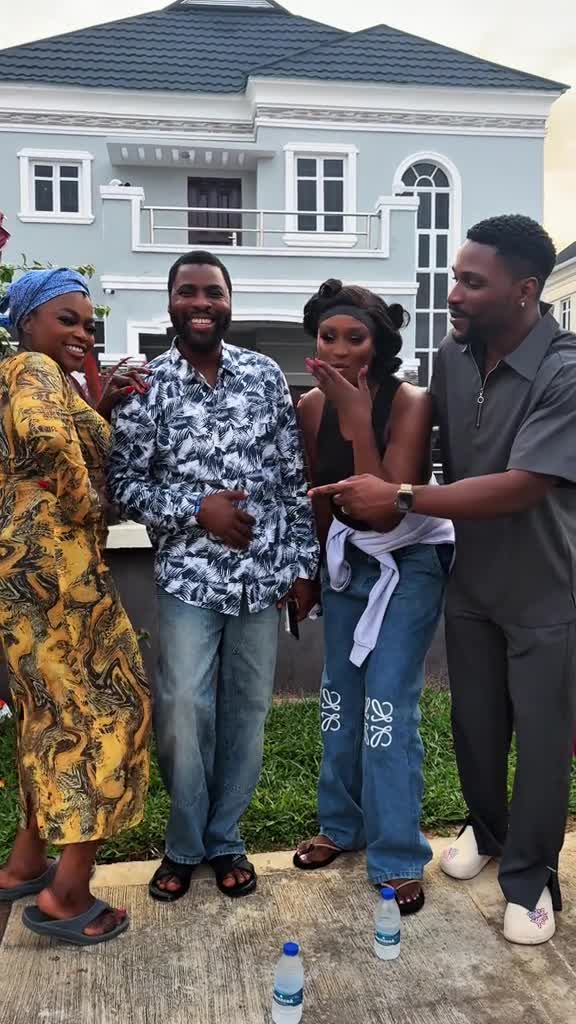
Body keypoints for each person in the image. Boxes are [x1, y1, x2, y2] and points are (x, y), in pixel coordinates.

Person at [310, 215, 576, 945]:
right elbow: (441, 462)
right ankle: (487, 830)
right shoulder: (454, 357)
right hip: (469, 577)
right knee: (476, 724)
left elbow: (525, 484)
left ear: (524, 290)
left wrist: (401, 498)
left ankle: (530, 877)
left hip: (546, 585)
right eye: (456, 277)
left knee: (542, 738)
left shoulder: (564, 369)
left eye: (472, 282)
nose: (454, 292)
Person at [107, 250, 319, 903]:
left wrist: (301, 565)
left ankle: (225, 839)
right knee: (182, 710)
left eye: (213, 293)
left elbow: (291, 479)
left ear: (230, 302)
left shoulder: (263, 376)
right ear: (171, 303)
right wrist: (197, 510)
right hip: (189, 579)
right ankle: (183, 844)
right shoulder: (146, 385)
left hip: (259, 577)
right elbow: (123, 487)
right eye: (188, 292)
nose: (201, 304)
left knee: (246, 713)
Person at [292, 279, 454, 913]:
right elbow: (320, 497)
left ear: (378, 345)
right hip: (346, 561)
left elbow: (387, 508)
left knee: (387, 707)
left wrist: (360, 421)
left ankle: (397, 854)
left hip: (408, 561)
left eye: (354, 338)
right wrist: (312, 575)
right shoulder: (310, 406)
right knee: (338, 698)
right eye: (327, 336)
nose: (337, 349)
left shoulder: (411, 402)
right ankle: (342, 826)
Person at [0, 268, 152, 945]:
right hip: (58, 579)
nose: (83, 333)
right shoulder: (34, 368)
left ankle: (24, 864)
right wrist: (88, 504)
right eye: (68, 319)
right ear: (28, 321)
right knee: (111, 713)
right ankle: (66, 896)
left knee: (47, 717)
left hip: (23, 582)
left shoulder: (32, 375)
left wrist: (98, 402)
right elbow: (45, 439)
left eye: (89, 324)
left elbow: (56, 436)